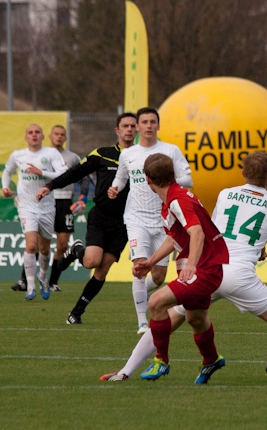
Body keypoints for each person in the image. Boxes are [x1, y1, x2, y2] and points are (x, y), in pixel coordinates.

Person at [99, 151, 267, 383]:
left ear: (242, 173)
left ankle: (127, 370)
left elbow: (208, 229)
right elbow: (258, 243)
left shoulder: (225, 194)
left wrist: (187, 264)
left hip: (210, 266)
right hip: (238, 274)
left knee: (170, 315)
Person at [130, 153, 228, 384]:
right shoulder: (173, 198)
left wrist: (191, 265)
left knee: (156, 302)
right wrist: (151, 262)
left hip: (205, 269)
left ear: (147, 180)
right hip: (206, 266)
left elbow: (197, 232)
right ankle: (211, 359)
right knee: (196, 319)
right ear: (173, 174)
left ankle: (161, 361)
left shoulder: (177, 200)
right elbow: (176, 238)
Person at [36, 113, 138, 324]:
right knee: (91, 261)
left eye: (132, 126)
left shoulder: (143, 157)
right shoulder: (103, 154)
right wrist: (49, 186)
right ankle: (77, 251)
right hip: (100, 216)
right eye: (125, 126)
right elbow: (76, 173)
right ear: (117, 130)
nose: (129, 129)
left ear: (137, 130)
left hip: (126, 222)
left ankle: (77, 312)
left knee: (103, 268)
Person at [108, 107, 193, 333]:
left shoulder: (170, 151)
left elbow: (188, 179)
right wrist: (115, 188)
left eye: (152, 122)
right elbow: (121, 177)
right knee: (140, 267)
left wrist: (169, 179)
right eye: (143, 122)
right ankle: (142, 322)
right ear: (137, 126)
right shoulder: (128, 154)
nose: (148, 126)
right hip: (136, 219)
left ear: (158, 125)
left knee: (158, 276)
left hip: (166, 220)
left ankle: (141, 294)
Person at [2, 124, 66, 300]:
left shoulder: (51, 154)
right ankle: (30, 286)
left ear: (43, 136)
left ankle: (43, 277)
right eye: (30, 133)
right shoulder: (18, 155)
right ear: (26, 137)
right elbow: (7, 172)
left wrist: (41, 172)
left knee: (44, 249)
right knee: (31, 245)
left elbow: (63, 173)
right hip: (26, 206)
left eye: (37, 132)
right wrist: (6, 187)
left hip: (46, 207)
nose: (34, 135)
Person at [45, 125, 87, 291]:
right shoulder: (42, 156)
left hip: (65, 203)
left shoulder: (73, 157)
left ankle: (53, 282)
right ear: (50, 136)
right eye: (56, 134)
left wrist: (82, 198)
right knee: (41, 244)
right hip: (46, 201)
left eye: (62, 134)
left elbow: (84, 178)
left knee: (62, 245)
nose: (59, 137)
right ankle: (24, 280)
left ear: (65, 138)